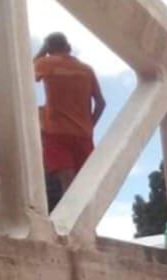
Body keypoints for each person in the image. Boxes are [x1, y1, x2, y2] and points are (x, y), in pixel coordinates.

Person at [34, 32, 106, 200]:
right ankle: (88, 224)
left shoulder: (46, 63)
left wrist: (42, 51)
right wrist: (89, 125)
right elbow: (101, 103)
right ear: (68, 47)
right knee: (84, 185)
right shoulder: (86, 70)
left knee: (68, 183)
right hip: (83, 134)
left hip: (56, 132)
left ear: (49, 48)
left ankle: (71, 223)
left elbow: (26, 71)